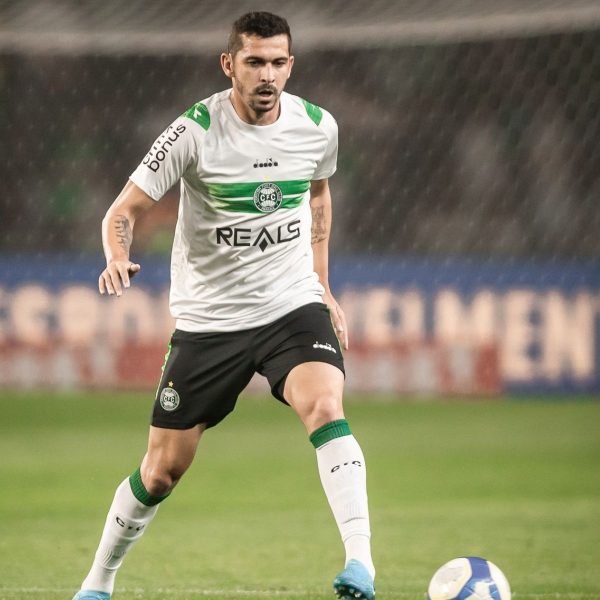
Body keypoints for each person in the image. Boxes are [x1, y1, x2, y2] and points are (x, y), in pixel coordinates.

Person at [73, 11, 375, 600]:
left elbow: (318, 192)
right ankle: (98, 582)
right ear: (228, 64)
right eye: (255, 61)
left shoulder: (317, 126)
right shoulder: (193, 131)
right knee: (162, 470)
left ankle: (360, 562)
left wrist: (322, 286)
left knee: (324, 403)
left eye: (278, 62)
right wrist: (116, 256)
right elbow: (123, 211)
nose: (268, 75)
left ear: (292, 64)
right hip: (211, 322)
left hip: (290, 304)